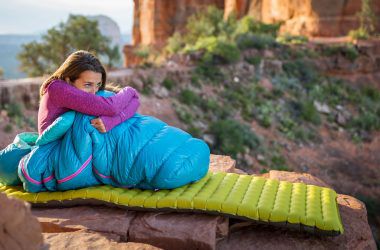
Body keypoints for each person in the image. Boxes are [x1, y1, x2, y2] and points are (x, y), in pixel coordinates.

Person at [38, 50, 140, 135]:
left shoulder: (73, 89)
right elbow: (112, 107)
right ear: (69, 80)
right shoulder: (58, 89)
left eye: (98, 85)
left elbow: (135, 101)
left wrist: (114, 120)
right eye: (88, 85)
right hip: (56, 151)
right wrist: (130, 91)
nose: (93, 93)